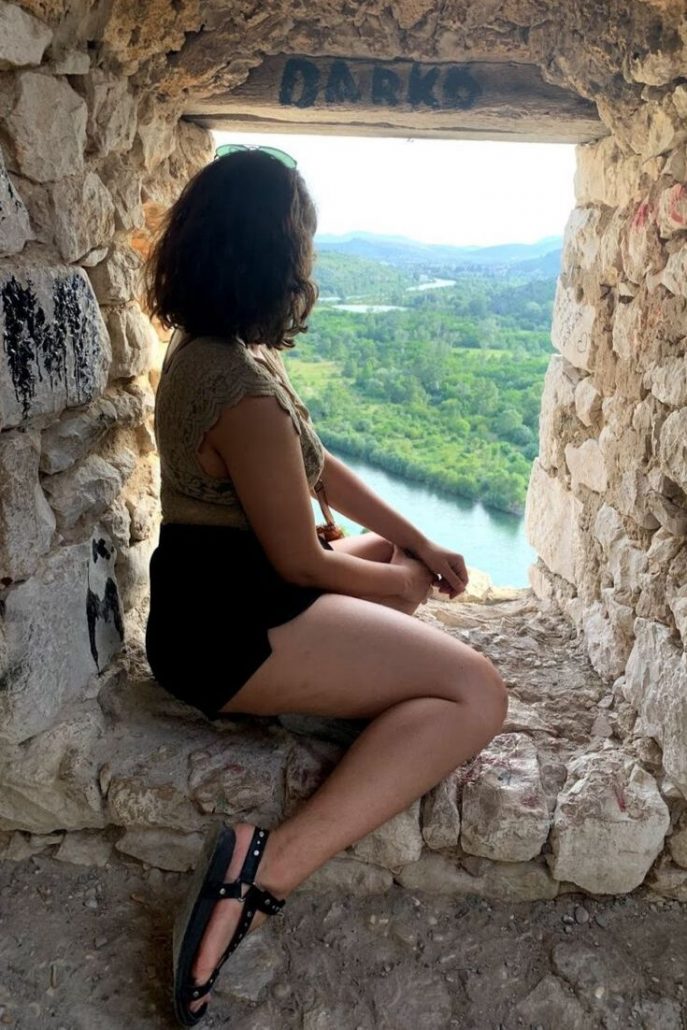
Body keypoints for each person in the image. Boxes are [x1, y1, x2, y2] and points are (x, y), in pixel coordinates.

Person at [144, 145, 508, 1026]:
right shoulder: (239, 389)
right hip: (233, 632)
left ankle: (367, 651)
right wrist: (400, 591)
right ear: (275, 259)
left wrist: (414, 537)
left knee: (390, 564)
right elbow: (302, 564)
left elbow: (312, 465)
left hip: (214, 599)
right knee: (476, 694)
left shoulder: (215, 353)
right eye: (302, 244)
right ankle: (262, 867)